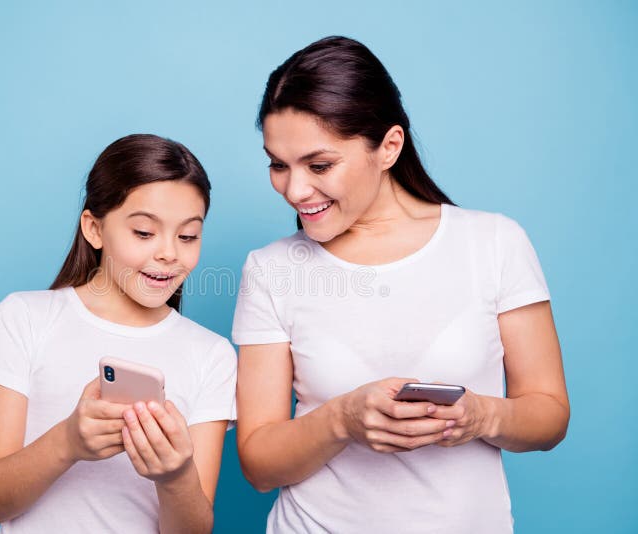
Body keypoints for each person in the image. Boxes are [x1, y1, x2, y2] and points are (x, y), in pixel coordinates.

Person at [233, 36, 569, 533]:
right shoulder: (271, 270)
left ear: (389, 147)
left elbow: (549, 416)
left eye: (319, 165)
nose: (295, 190)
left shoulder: (494, 243)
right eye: (278, 165)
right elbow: (259, 465)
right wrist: (342, 420)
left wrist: (482, 418)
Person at [0, 134, 236, 533]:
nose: (168, 253)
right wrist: (68, 442)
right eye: (144, 232)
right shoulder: (25, 318)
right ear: (94, 229)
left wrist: (174, 477)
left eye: (188, 236)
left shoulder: (211, 354)